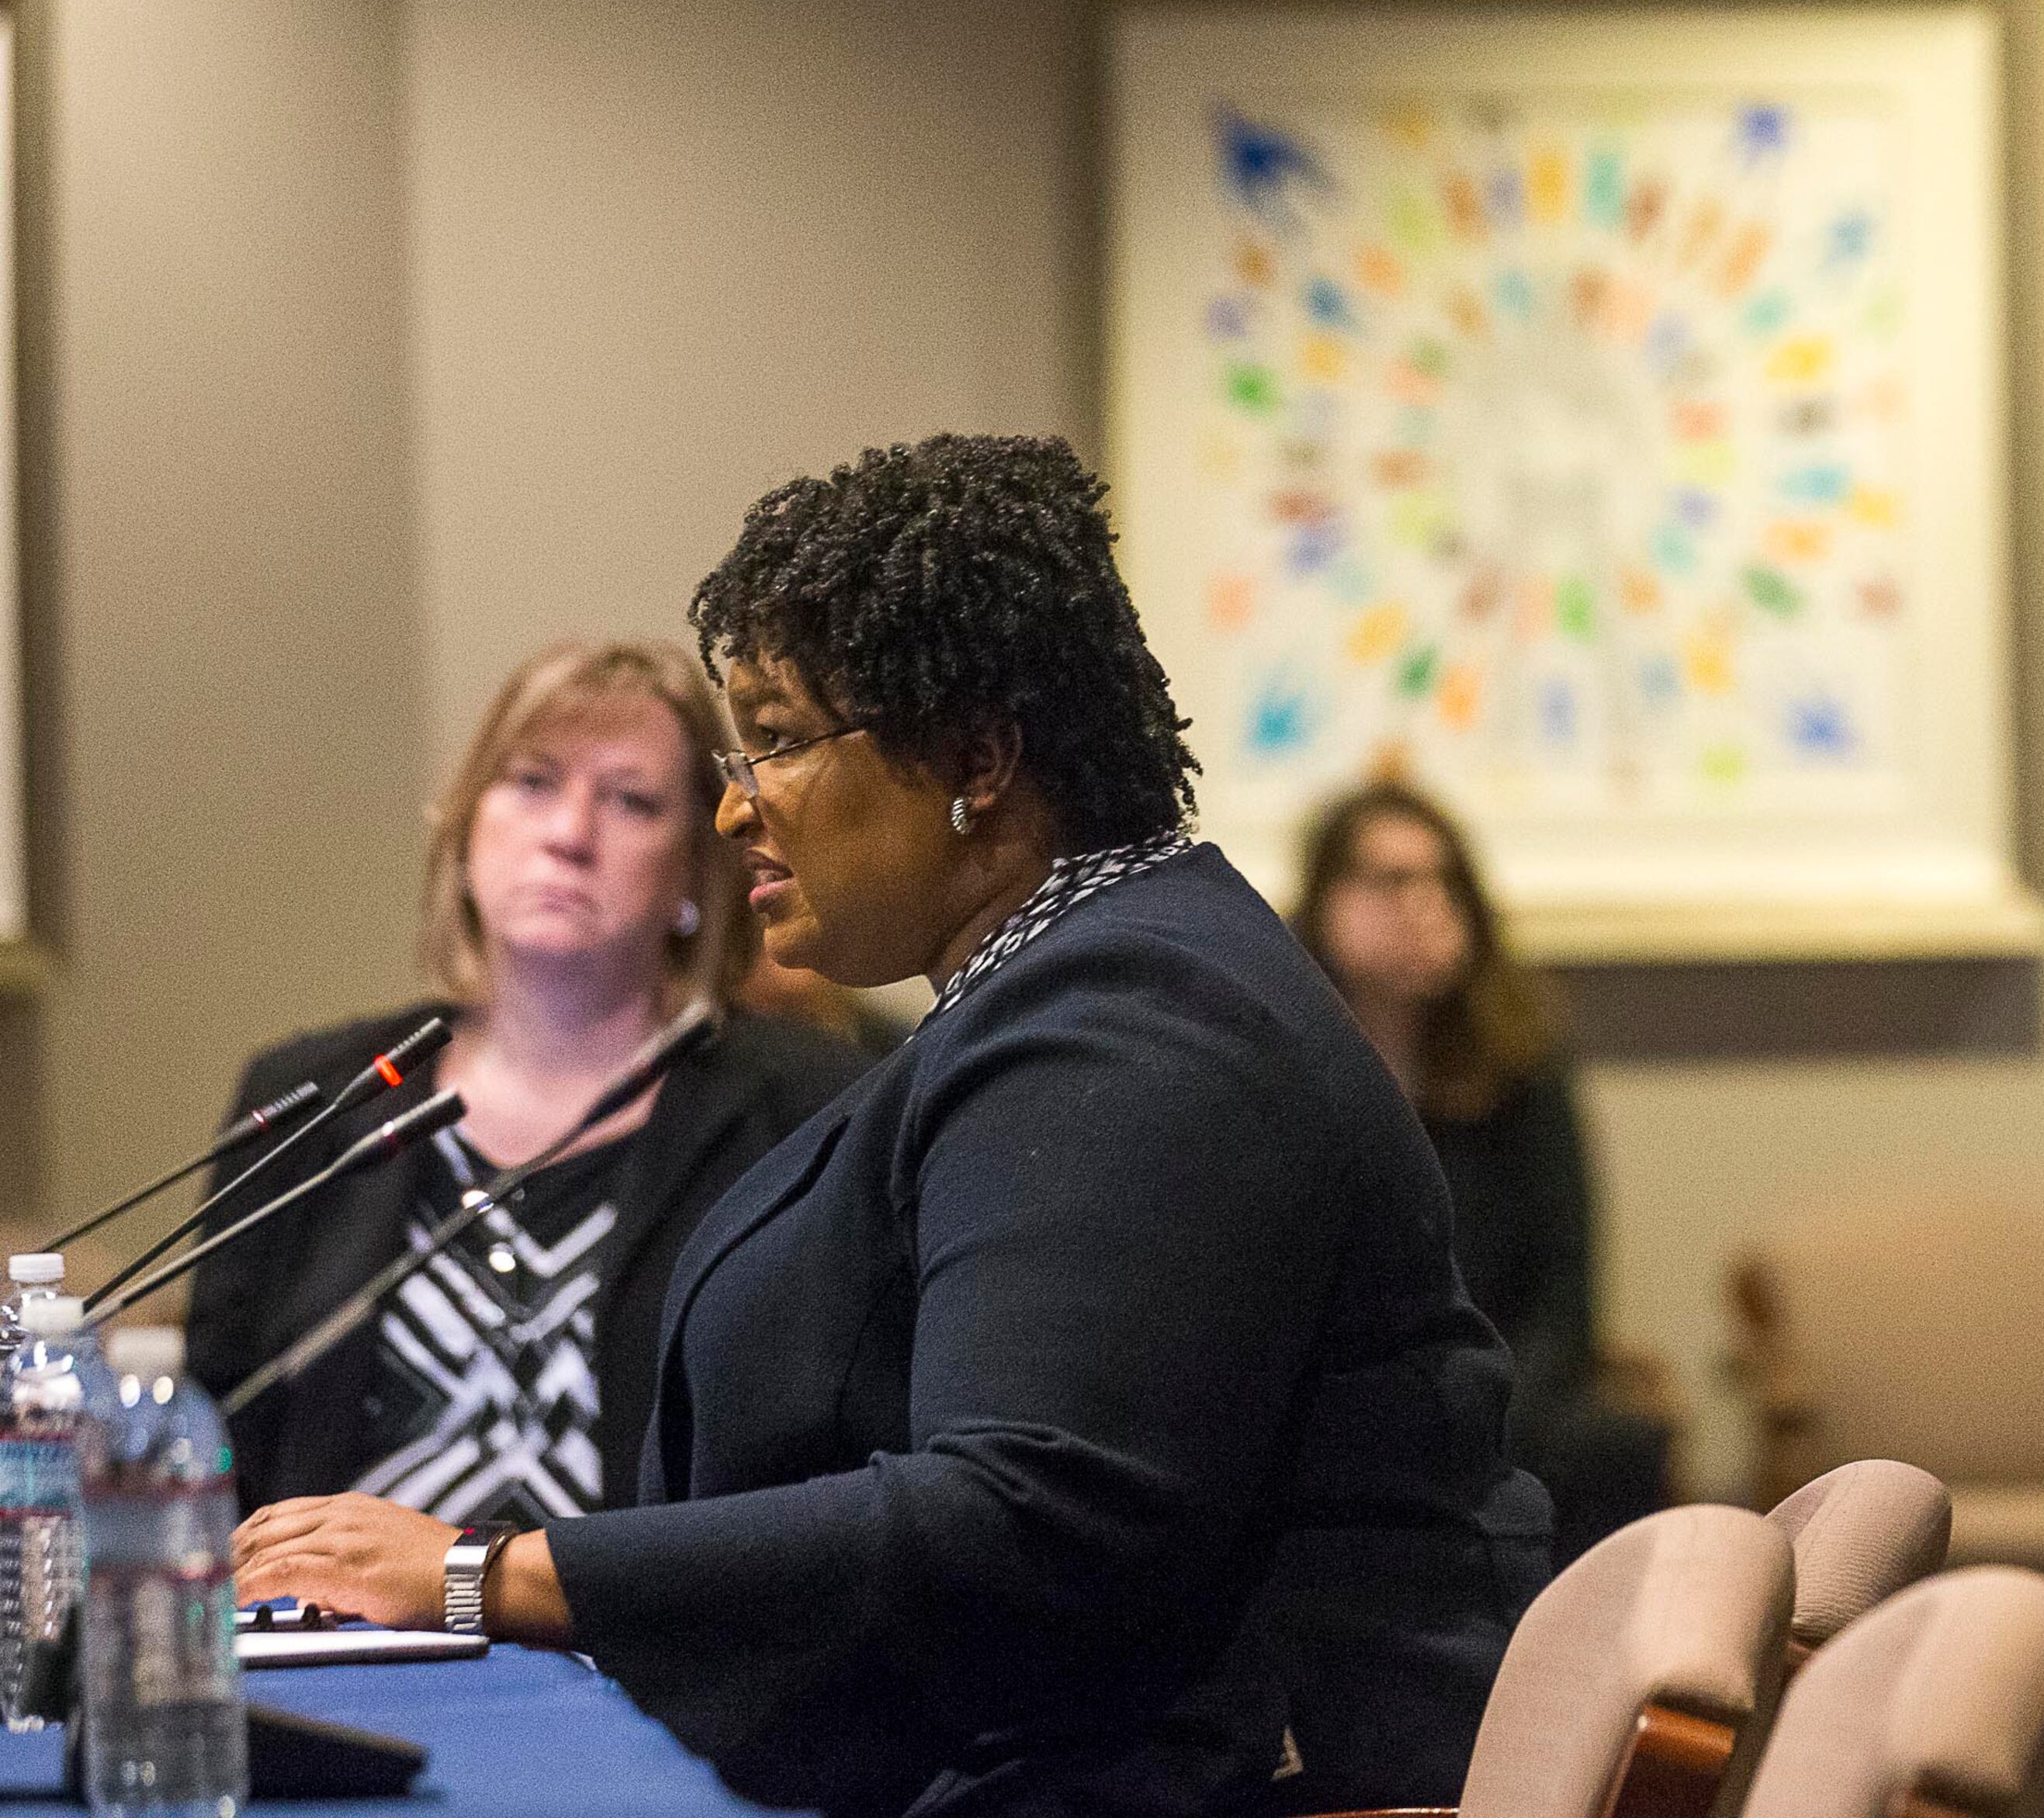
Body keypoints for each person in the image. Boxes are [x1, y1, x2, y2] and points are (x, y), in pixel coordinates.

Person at [233, 435, 1551, 1818]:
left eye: (783, 739)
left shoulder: (1132, 1018)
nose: (738, 806)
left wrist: (481, 1578)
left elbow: (1029, 1517)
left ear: (977, 756)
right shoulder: (1074, 980)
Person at [187, 639, 872, 1522]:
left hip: (645, 1649)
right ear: (466, 824)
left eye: (630, 800)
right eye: (533, 782)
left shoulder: (814, 1111)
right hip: (339, 1648)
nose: (569, 834)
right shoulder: (313, 1102)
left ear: (696, 870)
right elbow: (204, 1453)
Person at [1291, 781, 1673, 1564]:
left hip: (1502, 1400)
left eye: (1445, 882)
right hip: (1336, 1404)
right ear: (1327, 900)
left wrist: (1482, 1420)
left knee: (1614, 1442)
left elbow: (1567, 1302)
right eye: (1392, 881)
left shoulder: (1519, 1065)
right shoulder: (1283, 1065)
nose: (1425, 905)